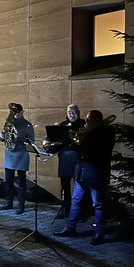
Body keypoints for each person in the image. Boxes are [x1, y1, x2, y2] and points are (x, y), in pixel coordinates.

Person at [54, 110, 115, 246]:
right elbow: (78, 148)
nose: (86, 121)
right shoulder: (87, 133)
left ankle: (99, 233)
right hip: (81, 173)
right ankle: (70, 228)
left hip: (96, 175)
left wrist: (84, 136)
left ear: (97, 121)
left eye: (89, 119)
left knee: (97, 204)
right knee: (76, 201)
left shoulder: (107, 132)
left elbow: (98, 150)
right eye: (86, 118)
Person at [0, 103, 34, 215]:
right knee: (8, 181)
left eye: (16, 112)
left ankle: (20, 205)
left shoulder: (27, 124)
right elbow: (2, 138)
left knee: (21, 182)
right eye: (12, 112)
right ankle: (8, 202)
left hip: (21, 154)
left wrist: (19, 138)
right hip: (10, 154)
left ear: (21, 112)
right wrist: (1, 136)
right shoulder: (9, 123)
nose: (14, 114)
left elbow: (31, 141)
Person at [57, 104, 86, 218]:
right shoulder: (62, 125)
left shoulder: (84, 124)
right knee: (64, 186)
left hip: (78, 159)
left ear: (78, 113)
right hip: (64, 159)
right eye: (70, 113)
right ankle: (66, 209)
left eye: (74, 113)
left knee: (80, 187)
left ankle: (80, 211)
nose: (72, 115)